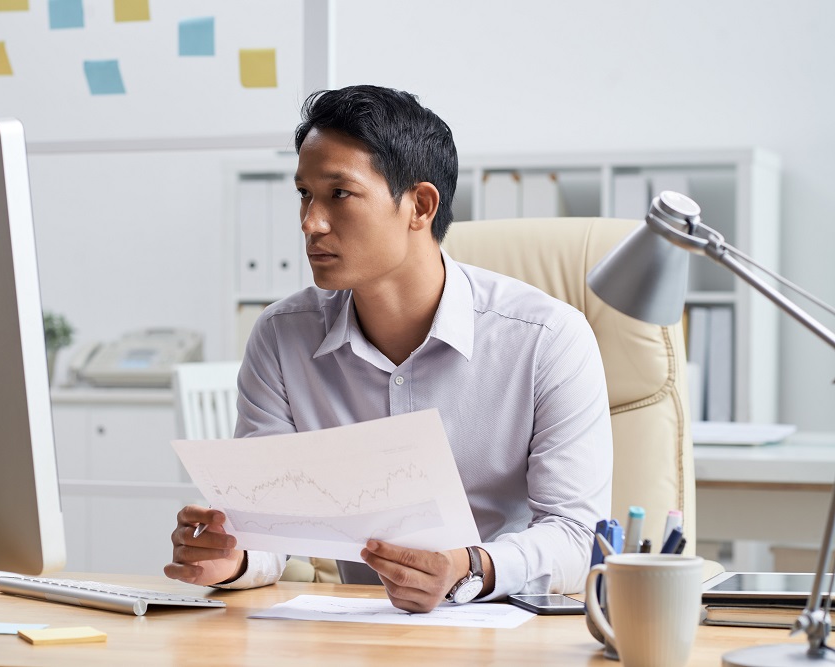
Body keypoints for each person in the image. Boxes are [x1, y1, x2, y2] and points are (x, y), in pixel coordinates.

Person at [165, 84, 613, 613]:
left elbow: (579, 536)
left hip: (507, 627)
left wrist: (469, 567)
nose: (311, 222)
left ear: (419, 206)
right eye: (304, 194)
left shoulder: (548, 339)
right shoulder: (282, 336)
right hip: (358, 631)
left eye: (339, 194)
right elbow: (270, 526)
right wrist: (234, 559)